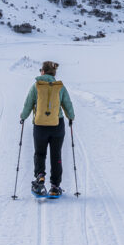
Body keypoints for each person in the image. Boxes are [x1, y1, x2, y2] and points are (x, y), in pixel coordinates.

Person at [19, 61, 75, 197]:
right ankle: (55, 187)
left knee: (40, 153)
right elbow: (67, 103)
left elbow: (28, 104)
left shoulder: (36, 86)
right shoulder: (60, 87)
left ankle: (40, 177)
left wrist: (23, 117)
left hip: (40, 126)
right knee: (56, 155)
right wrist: (71, 117)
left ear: (42, 72)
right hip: (57, 124)